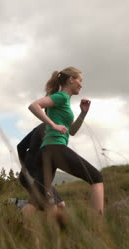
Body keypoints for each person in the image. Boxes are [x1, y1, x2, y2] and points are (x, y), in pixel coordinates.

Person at [28, 66, 104, 215]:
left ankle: (20, 227)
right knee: (96, 178)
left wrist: (82, 113)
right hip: (55, 147)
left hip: (46, 151)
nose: (81, 85)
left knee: (36, 200)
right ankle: (98, 225)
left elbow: (72, 131)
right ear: (71, 79)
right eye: (80, 80)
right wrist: (53, 125)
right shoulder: (61, 97)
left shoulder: (65, 102)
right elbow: (34, 106)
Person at [16, 123, 66, 212]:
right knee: (50, 207)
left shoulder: (60, 129)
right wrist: (25, 168)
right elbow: (20, 146)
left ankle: (18, 203)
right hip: (32, 177)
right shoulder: (43, 128)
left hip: (41, 178)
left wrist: (83, 113)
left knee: (61, 205)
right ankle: (23, 220)